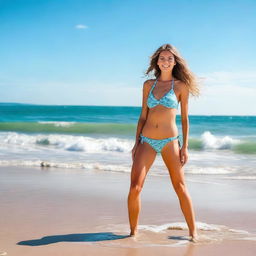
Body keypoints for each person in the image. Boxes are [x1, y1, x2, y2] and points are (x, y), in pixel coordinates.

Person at [127, 43, 200, 242]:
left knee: (180, 187)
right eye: (162, 58)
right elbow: (143, 116)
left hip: (170, 141)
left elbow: (184, 119)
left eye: (169, 58)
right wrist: (136, 143)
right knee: (135, 188)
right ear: (156, 62)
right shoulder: (148, 85)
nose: (165, 61)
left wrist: (184, 146)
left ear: (175, 62)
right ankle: (133, 232)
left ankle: (193, 233)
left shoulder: (180, 86)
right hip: (147, 140)